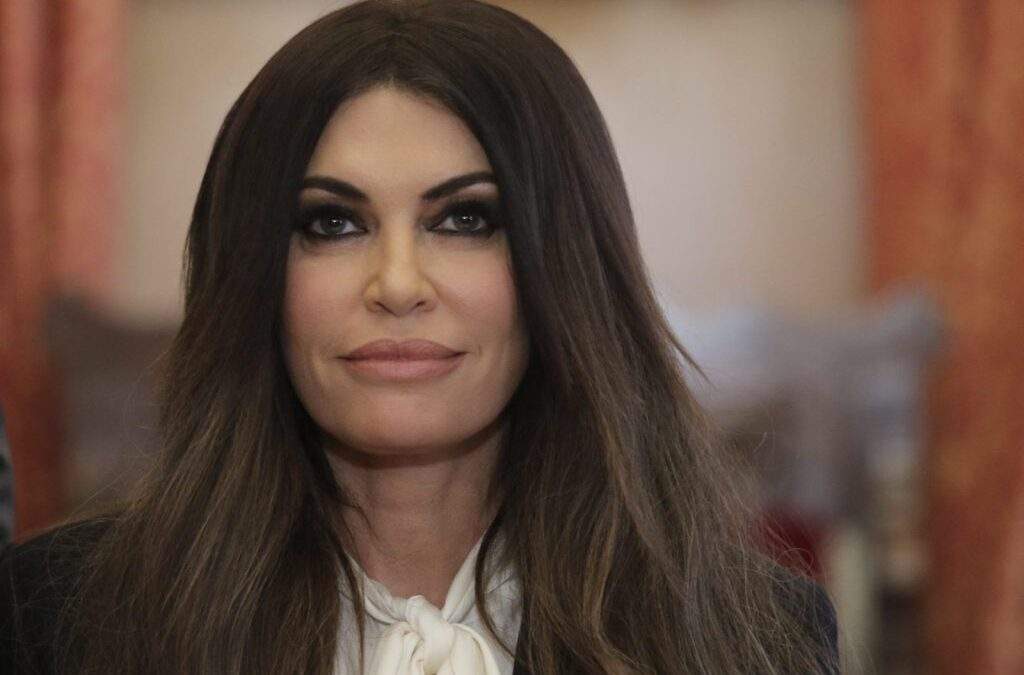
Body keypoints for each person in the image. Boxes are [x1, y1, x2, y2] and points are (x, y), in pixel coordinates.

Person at [0, 1, 839, 673]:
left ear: (566, 267)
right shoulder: (54, 617)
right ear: (254, 272)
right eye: (331, 223)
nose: (398, 284)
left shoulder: (758, 635)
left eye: (466, 219)